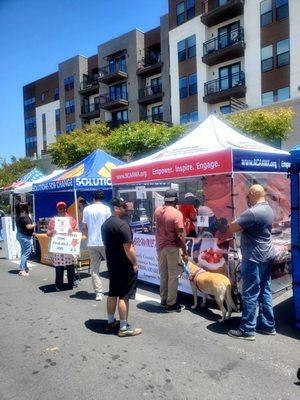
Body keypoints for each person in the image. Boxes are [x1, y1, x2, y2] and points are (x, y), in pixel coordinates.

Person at [228, 184, 276, 341]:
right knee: (265, 289)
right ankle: (268, 325)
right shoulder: (268, 208)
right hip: (267, 253)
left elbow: (232, 228)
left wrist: (237, 221)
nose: (247, 197)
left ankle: (247, 329)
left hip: (255, 256)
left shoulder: (253, 212)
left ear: (254, 194)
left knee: (250, 292)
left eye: (248, 195)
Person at [101, 198, 142, 337]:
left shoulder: (105, 224)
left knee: (112, 293)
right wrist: (135, 262)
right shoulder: (122, 225)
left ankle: (110, 321)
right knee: (124, 296)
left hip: (112, 264)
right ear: (116, 208)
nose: (127, 210)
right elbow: (128, 248)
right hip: (124, 266)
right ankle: (124, 327)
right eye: (124, 207)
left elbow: (107, 246)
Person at [154, 189, 188, 312]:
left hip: (160, 246)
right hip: (172, 247)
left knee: (163, 274)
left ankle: (163, 299)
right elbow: (180, 235)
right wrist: (185, 252)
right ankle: (171, 303)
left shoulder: (157, 210)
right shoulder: (176, 213)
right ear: (175, 200)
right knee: (173, 276)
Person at [82, 190, 111, 301]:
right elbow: (109, 226)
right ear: (102, 198)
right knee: (111, 266)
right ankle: (113, 289)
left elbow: (84, 227)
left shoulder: (86, 209)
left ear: (93, 198)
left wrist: (88, 237)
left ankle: (98, 292)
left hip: (92, 242)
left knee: (95, 269)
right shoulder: (106, 209)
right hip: (105, 241)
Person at [47, 201, 78, 291]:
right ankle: (59, 285)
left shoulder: (71, 219)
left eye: (64, 208)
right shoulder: (53, 220)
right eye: (60, 208)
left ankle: (71, 283)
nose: (62, 210)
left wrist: (72, 230)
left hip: (68, 247)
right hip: (59, 247)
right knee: (59, 267)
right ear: (57, 209)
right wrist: (52, 232)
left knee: (70, 266)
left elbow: (76, 230)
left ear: (66, 208)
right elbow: (48, 232)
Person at [15, 202, 34, 276]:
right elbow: (29, 226)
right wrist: (34, 224)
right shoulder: (24, 216)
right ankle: (22, 270)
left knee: (24, 252)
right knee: (26, 253)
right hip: (24, 237)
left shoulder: (18, 215)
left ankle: (25, 267)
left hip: (20, 235)